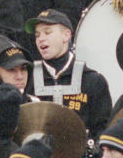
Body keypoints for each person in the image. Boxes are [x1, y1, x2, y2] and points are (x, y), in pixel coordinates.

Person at [24, 8, 111, 139]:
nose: (41, 39)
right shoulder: (27, 77)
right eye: (37, 35)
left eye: (47, 32)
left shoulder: (93, 81)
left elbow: (103, 129)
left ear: (66, 35)